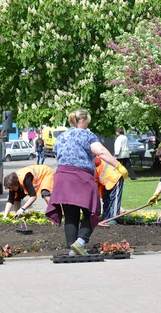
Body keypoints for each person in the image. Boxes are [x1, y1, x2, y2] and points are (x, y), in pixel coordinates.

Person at [46, 110, 129, 256]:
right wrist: (118, 165)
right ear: (83, 121)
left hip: (62, 177)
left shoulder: (61, 137)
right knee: (93, 210)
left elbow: (57, 155)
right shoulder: (87, 134)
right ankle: (81, 242)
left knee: (71, 215)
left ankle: (71, 249)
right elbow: (101, 152)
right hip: (80, 177)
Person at [94, 157, 124, 225]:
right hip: (106, 180)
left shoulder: (91, 160)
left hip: (115, 176)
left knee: (114, 198)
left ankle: (113, 218)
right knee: (106, 199)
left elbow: (95, 181)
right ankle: (106, 218)